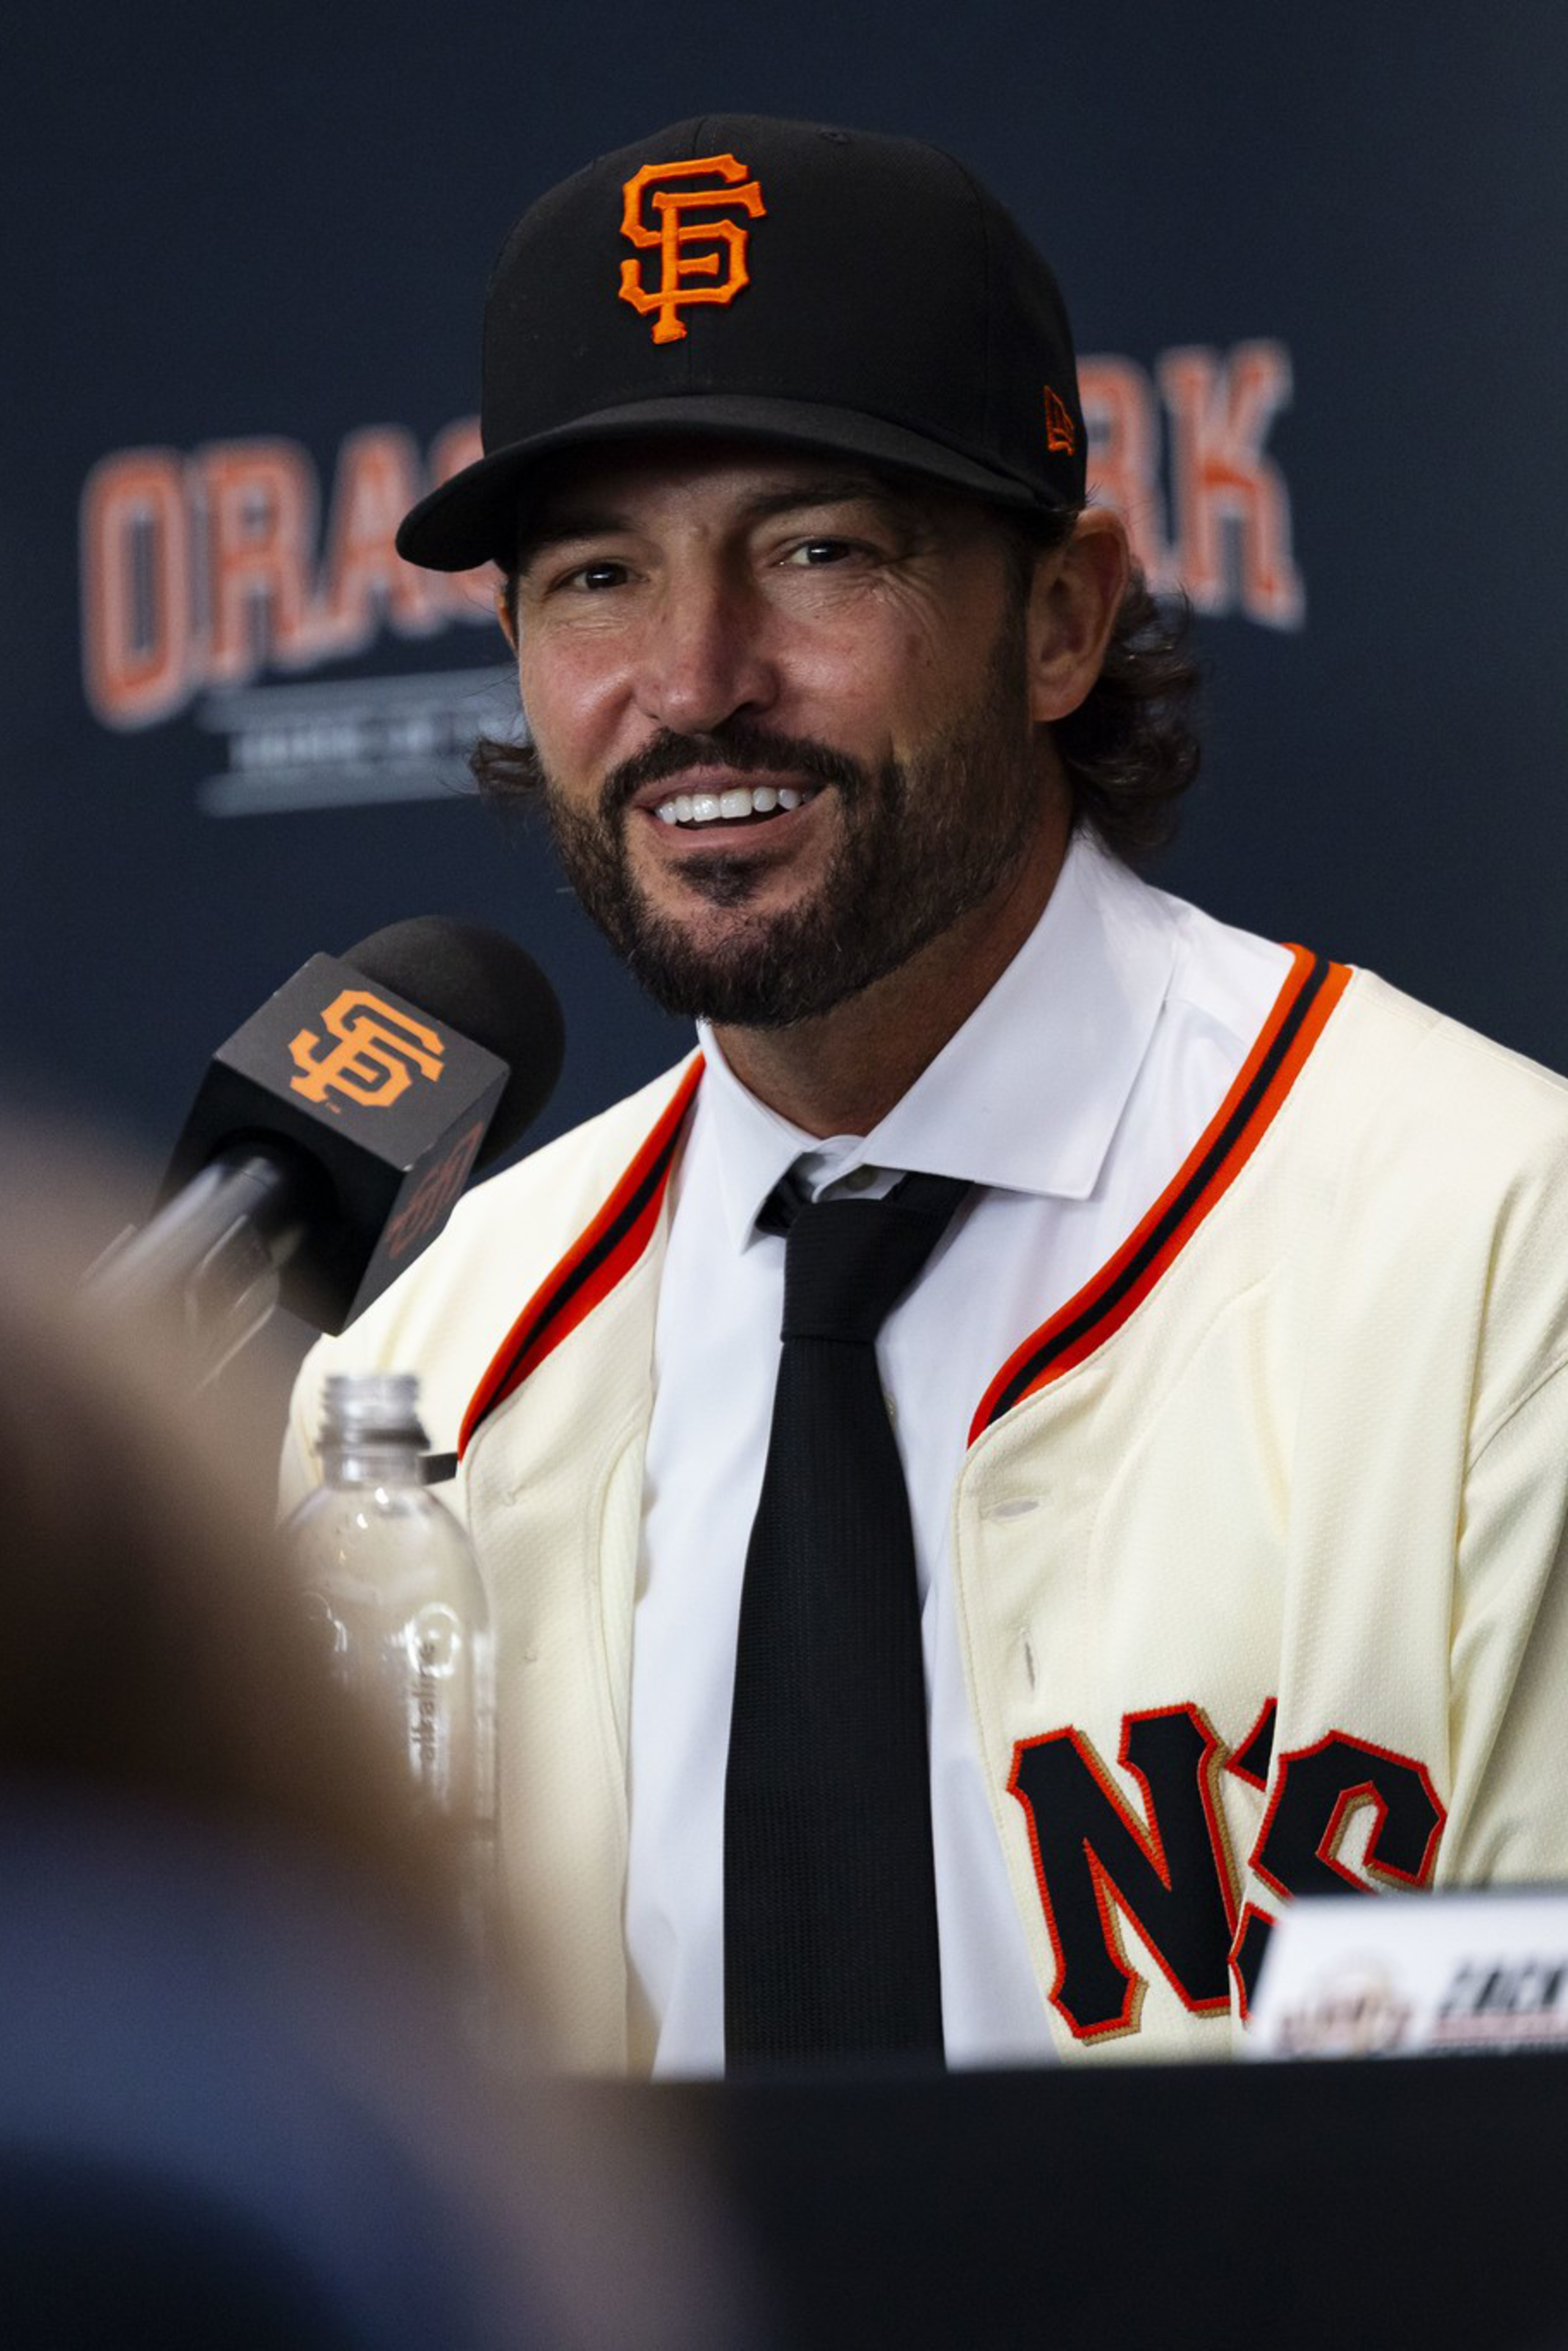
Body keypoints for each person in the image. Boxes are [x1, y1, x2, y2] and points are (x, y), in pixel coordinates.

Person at [284, 114, 1568, 2078]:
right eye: (598, 579)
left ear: (1061, 617)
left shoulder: (1497, 1245)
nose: (695, 678)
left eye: (816, 551)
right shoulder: (429, 1387)